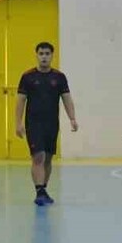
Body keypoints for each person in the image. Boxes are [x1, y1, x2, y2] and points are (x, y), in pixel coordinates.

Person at [14, 42, 78, 206]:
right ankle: (39, 191)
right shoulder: (27, 77)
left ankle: (43, 189)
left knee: (48, 158)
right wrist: (18, 123)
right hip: (33, 123)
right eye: (41, 53)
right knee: (38, 156)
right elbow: (20, 101)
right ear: (36, 55)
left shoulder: (59, 77)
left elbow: (67, 98)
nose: (44, 56)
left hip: (51, 123)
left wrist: (72, 118)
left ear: (52, 56)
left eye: (47, 53)